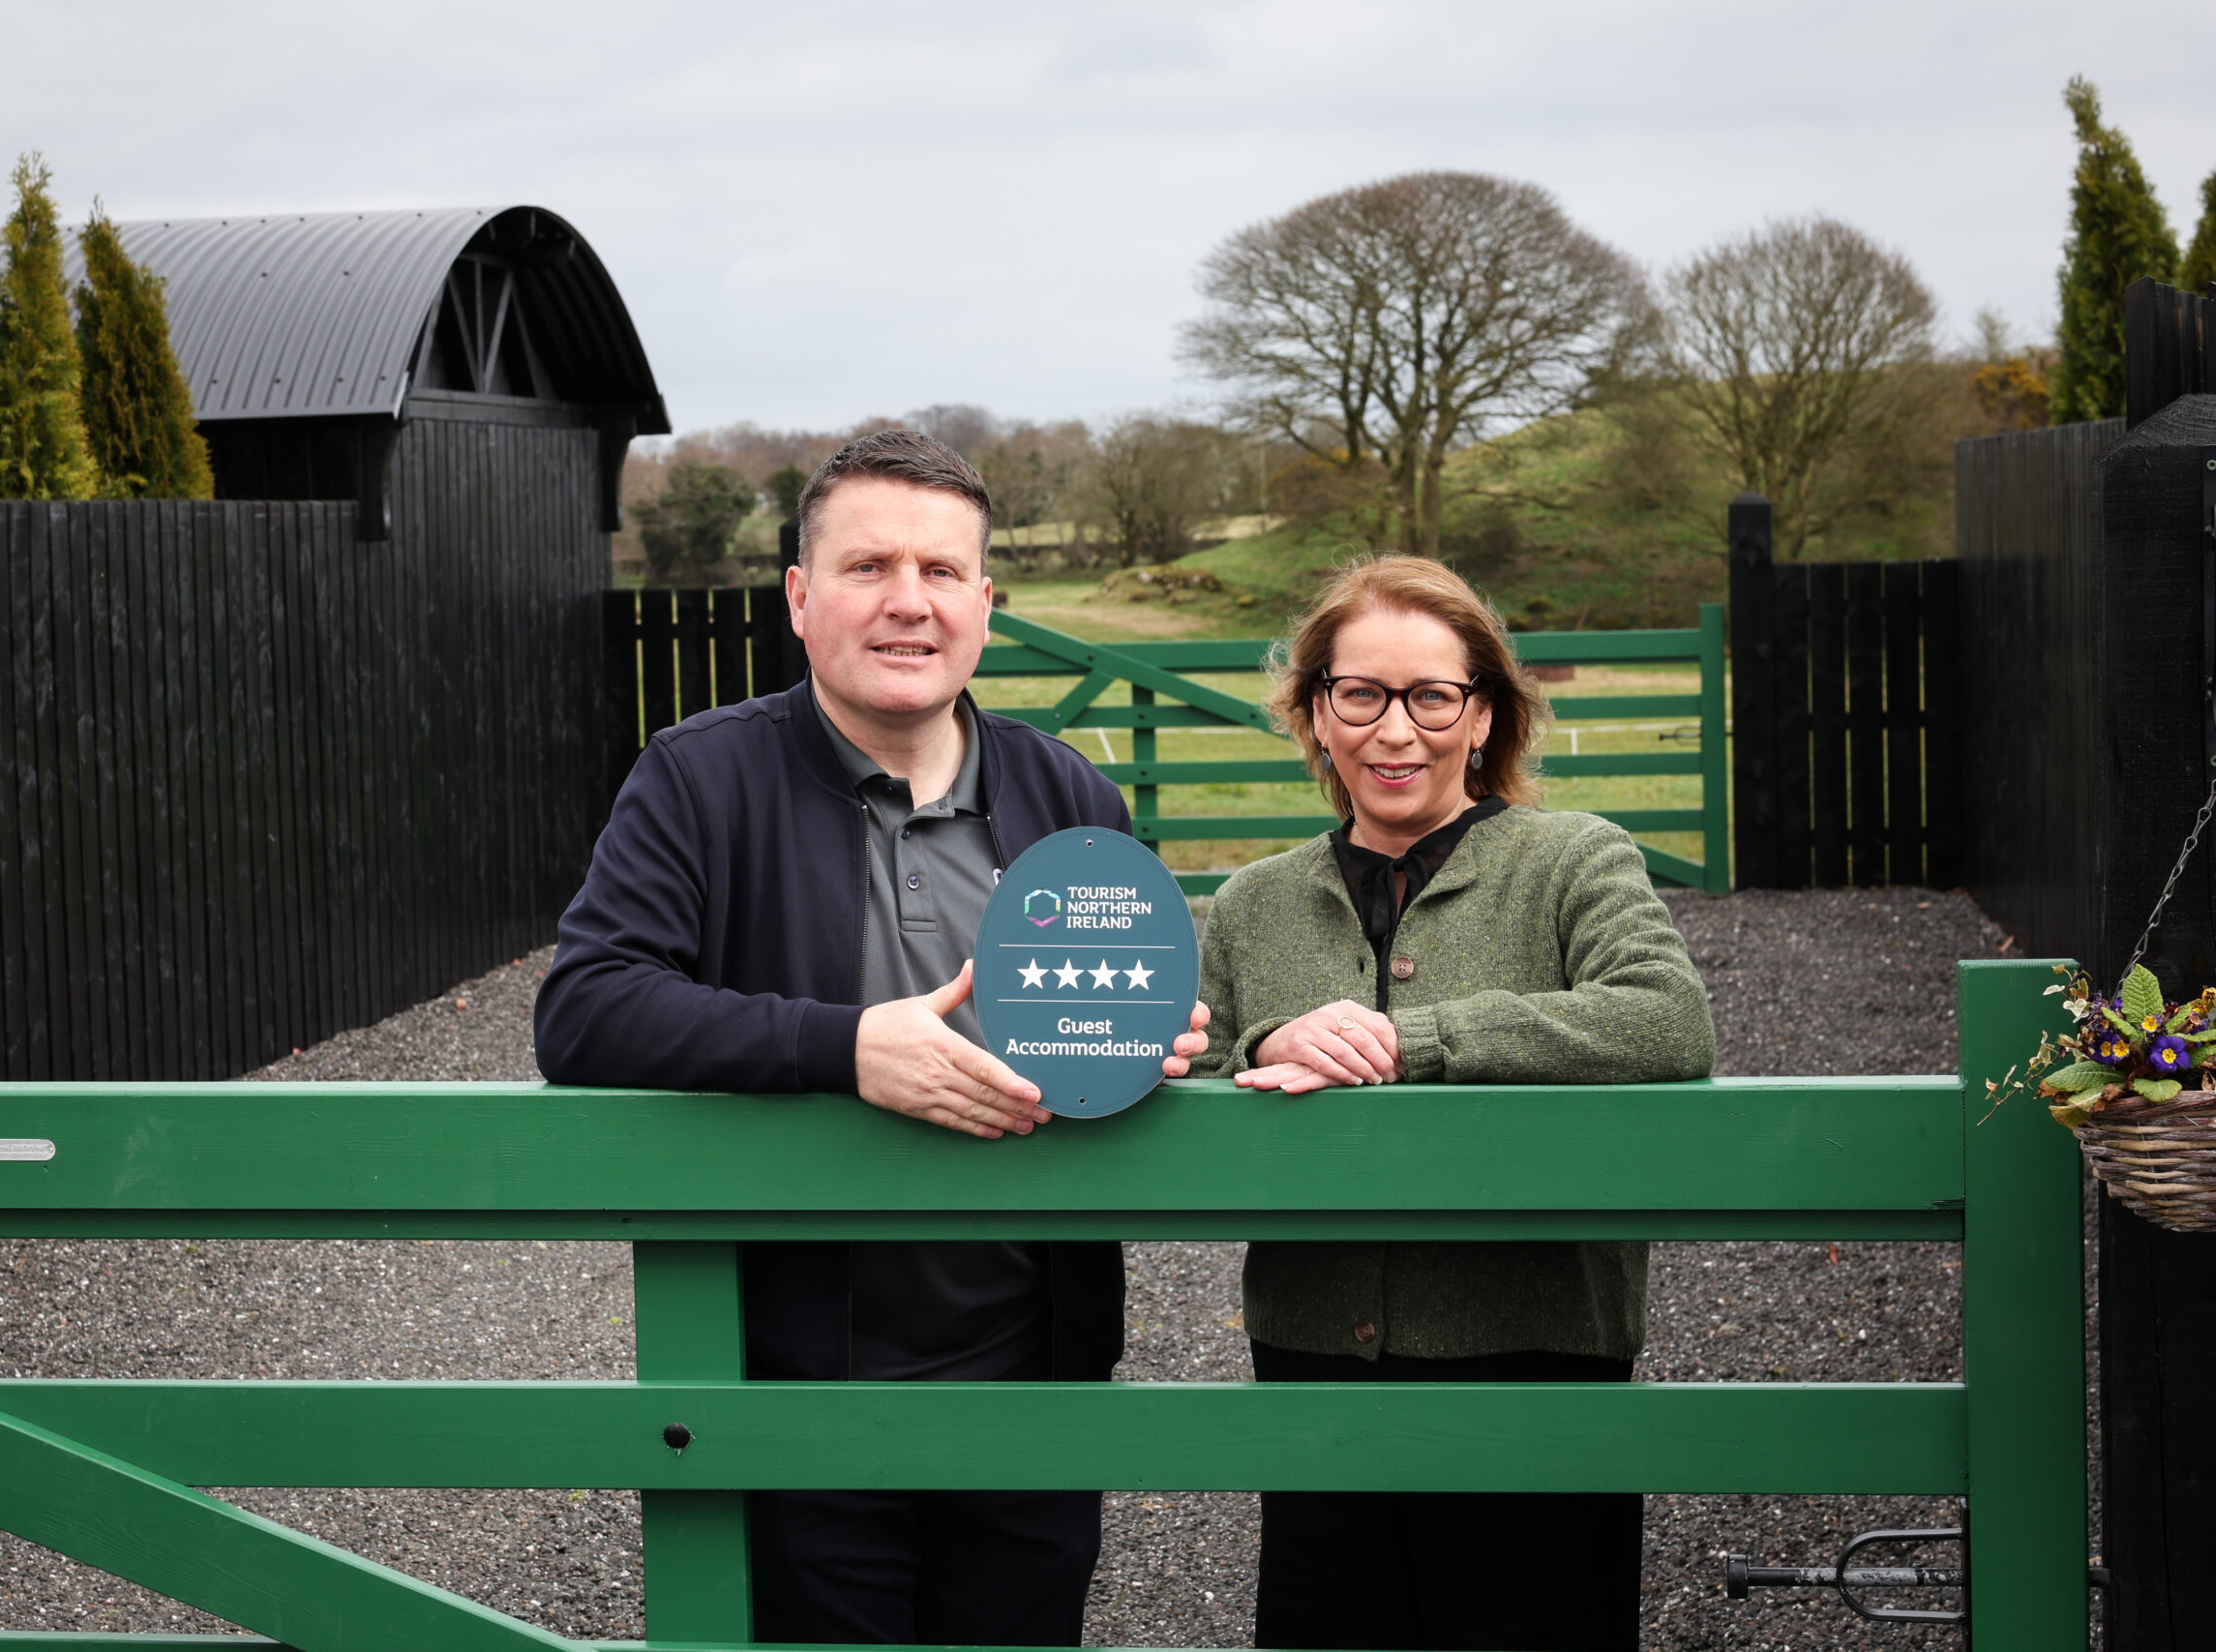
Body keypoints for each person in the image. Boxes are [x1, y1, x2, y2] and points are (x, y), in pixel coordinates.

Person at [535, 429, 1210, 1647]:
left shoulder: (1071, 797)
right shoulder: (697, 780)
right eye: (869, 568)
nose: (910, 602)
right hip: (798, 1386)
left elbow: (1102, 1026)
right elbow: (585, 1009)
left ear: (987, 604)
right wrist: (845, 1047)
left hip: (1030, 1380)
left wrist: (1153, 1042)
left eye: (943, 572)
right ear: (800, 597)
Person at [1191, 555, 1714, 1652]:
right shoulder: (1250, 903)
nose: (1395, 731)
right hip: (1315, 1364)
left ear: (1483, 716)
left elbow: (1666, 1020)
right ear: (1317, 713)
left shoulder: (1574, 860)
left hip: (1534, 1354)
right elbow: (1183, 1070)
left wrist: (1411, 1040)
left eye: (1431, 696)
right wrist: (1256, 1039)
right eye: (1361, 695)